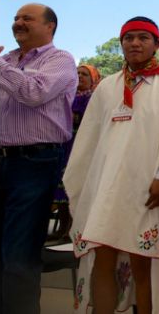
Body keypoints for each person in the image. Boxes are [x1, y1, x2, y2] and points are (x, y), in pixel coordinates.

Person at [63, 17, 159, 314]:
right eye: (128, 38)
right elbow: (88, 140)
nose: (134, 43)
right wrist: (88, 185)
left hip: (144, 190)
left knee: (142, 265)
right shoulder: (107, 87)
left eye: (143, 38)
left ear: (156, 45)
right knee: (103, 261)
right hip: (104, 189)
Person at [0, 3, 78, 314]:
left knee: (19, 252)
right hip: (2, 159)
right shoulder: (6, 60)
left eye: (27, 18)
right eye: (16, 18)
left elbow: (34, 93)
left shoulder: (60, 60)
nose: (18, 22)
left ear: (49, 27)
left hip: (34, 162)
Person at [48, 64, 101, 243]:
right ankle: (63, 228)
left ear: (93, 78)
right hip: (65, 145)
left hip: (83, 145)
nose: (80, 76)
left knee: (76, 186)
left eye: (85, 74)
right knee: (62, 188)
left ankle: (73, 230)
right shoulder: (68, 96)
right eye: (77, 73)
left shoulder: (94, 98)